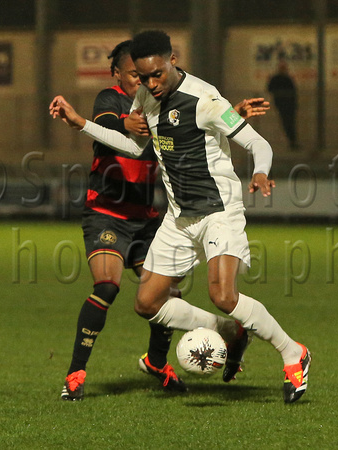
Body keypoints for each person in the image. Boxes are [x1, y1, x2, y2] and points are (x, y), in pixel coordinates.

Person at [50, 30, 311, 404]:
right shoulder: (144, 97)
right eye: (143, 77)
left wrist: (260, 171)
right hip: (178, 218)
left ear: (172, 60)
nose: (151, 83)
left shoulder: (205, 99)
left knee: (222, 293)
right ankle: (228, 331)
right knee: (148, 304)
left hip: (218, 211)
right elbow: (135, 146)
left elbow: (257, 142)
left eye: (157, 74)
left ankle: (292, 353)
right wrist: (80, 123)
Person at [267, 60, 298, 149]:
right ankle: (292, 141)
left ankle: (292, 141)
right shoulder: (284, 79)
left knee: (289, 123)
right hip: (284, 103)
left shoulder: (283, 79)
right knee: (288, 122)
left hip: (285, 103)